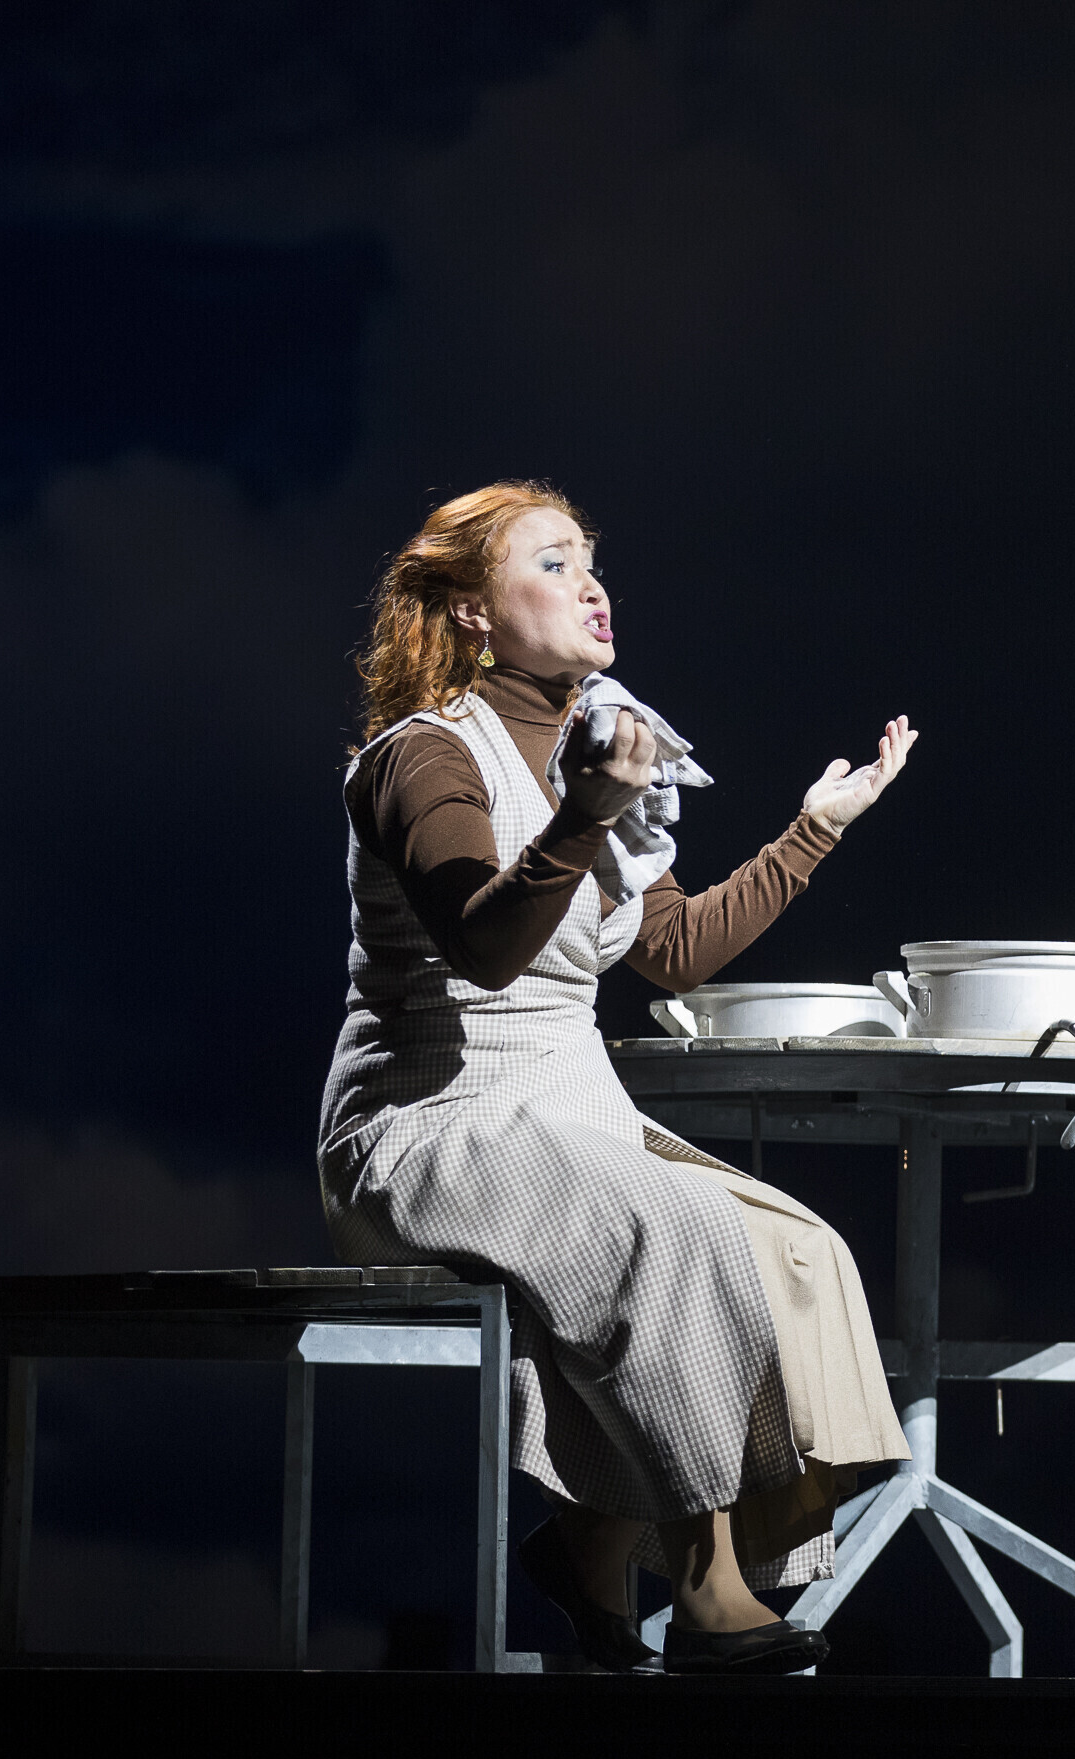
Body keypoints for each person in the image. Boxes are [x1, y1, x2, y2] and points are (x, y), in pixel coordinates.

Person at [317, 481, 915, 1676]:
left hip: (572, 1108)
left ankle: (591, 1543)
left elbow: (672, 950)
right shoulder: (422, 758)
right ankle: (703, 1588)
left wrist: (814, 829)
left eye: (591, 563)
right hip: (431, 1119)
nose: (591, 588)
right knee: (676, 1225)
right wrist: (581, 814)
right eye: (551, 565)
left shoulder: (610, 747)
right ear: (473, 612)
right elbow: (483, 949)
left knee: (800, 1252)